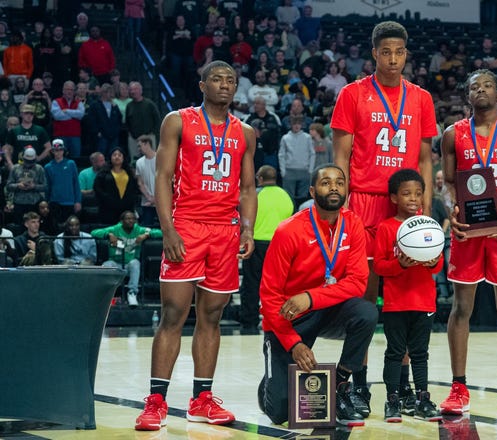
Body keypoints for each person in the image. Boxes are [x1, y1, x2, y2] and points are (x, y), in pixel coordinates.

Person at [135, 61, 257, 431]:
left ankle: (202, 399)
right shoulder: (178, 120)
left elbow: (248, 187)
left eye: (231, 80)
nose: (225, 85)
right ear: (202, 84)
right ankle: (155, 401)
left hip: (225, 232)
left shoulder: (246, 132)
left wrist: (248, 229)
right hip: (186, 226)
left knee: (212, 316)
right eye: (217, 79)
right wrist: (168, 230)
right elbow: (163, 175)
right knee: (173, 313)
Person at [331, 21, 437, 417]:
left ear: (406, 54)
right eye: (385, 51)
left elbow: (425, 158)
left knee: (404, 302)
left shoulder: (421, 98)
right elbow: (340, 155)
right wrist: (341, 206)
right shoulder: (352, 94)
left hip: (402, 208)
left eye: (399, 52)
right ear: (373, 53)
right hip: (360, 203)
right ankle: (356, 386)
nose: (393, 59)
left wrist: (422, 207)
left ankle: (403, 387)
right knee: (364, 303)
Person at [439, 69, 497, 417]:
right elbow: (447, 183)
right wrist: (452, 214)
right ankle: (458, 387)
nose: (480, 90)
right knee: (461, 308)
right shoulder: (453, 134)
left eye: (487, 85)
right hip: (467, 232)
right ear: (467, 96)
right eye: (474, 86)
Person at [258, 164, 377, 426]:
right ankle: (270, 381)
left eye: (340, 182)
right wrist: (293, 343)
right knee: (280, 413)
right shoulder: (288, 230)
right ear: (312, 191)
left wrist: (310, 297)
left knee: (366, 312)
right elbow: (269, 296)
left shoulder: (353, 224)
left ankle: (341, 384)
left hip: (326, 309)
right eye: (326, 182)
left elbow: (358, 283)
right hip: (288, 317)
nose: (334, 186)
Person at [373, 169, 443, 423]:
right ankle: (393, 400)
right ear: (394, 198)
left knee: (420, 353)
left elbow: (438, 265)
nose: (413, 198)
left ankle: (423, 398)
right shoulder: (386, 227)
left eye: (418, 193)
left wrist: (432, 261)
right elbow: (379, 266)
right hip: (395, 303)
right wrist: (399, 264)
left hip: (424, 300)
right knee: (394, 352)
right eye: (406, 194)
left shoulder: (429, 226)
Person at [238, 165, 293, 335]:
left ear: (260, 179)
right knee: (278, 287)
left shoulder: (254, 195)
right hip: (279, 246)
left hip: (256, 244)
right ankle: (278, 320)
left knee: (251, 285)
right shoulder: (286, 196)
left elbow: (243, 216)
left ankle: (249, 322)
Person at [91, 210, 162, 306]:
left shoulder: (139, 230)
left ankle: (132, 293)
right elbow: (94, 232)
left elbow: (160, 232)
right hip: (115, 263)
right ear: (122, 221)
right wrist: (108, 235)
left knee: (135, 263)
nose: (131, 221)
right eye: (128, 219)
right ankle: (105, 294)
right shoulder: (114, 229)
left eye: (133, 219)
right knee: (107, 265)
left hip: (129, 265)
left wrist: (147, 235)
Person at [93, 147, 139, 225]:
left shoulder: (129, 173)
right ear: (110, 157)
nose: (117, 157)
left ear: (123, 158)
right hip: (108, 209)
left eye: (119, 155)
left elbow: (134, 189)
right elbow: (97, 188)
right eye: (114, 155)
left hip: (126, 209)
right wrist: (108, 199)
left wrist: (129, 201)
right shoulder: (103, 173)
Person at [5, 147, 48, 225]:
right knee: (19, 227)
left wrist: (34, 186)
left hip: (34, 204)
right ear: (23, 158)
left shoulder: (39, 169)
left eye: (31, 161)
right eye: (27, 161)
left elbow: (45, 186)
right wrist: (18, 185)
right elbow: (8, 186)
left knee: (34, 226)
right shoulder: (15, 168)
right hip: (19, 204)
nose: (29, 163)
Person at [278, 114, 314, 207]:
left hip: (304, 170)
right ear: (291, 125)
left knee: (303, 197)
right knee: (289, 197)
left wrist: (310, 170)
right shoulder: (285, 138)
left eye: (299, 123)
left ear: (302, 125)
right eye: (294, 124)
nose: (297, 126)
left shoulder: (307, 137)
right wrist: (283, 171)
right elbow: (281, 155)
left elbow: (312, 153)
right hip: (289, 170)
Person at [45, 138, 82, 224]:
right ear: (52, 151)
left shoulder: (71, 164)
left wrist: (78, 201)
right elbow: (47, 186)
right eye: (55, 150)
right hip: (54, 201)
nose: (58, 152)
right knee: (55, 226)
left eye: (60, 150)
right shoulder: (48, 167)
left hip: (69, 201)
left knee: (69, 226)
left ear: (63, 151)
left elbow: (76, 183)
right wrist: (47, 201)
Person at [50, 81, 85, 158]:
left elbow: (81, 115)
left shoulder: (79, 103)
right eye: (67, 89)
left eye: (71, 90)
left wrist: (66, 111)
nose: (69, 92)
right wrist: (73, 115)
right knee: (59, 158)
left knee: (76, 158)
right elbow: (57, 116)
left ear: (74, 91)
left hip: (75, 136)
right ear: (63, 90)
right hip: (60, 135)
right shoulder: (56, 101)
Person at [135, 135, 157, 227]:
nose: (139, 149)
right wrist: (149, 198)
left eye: (140, 146)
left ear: (147, 144)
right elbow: (140, 183)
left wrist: (156, 198)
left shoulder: (161, 158)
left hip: (163, 201)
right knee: (146, 229)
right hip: (146, 202)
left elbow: (168, 180)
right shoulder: (139, 162)